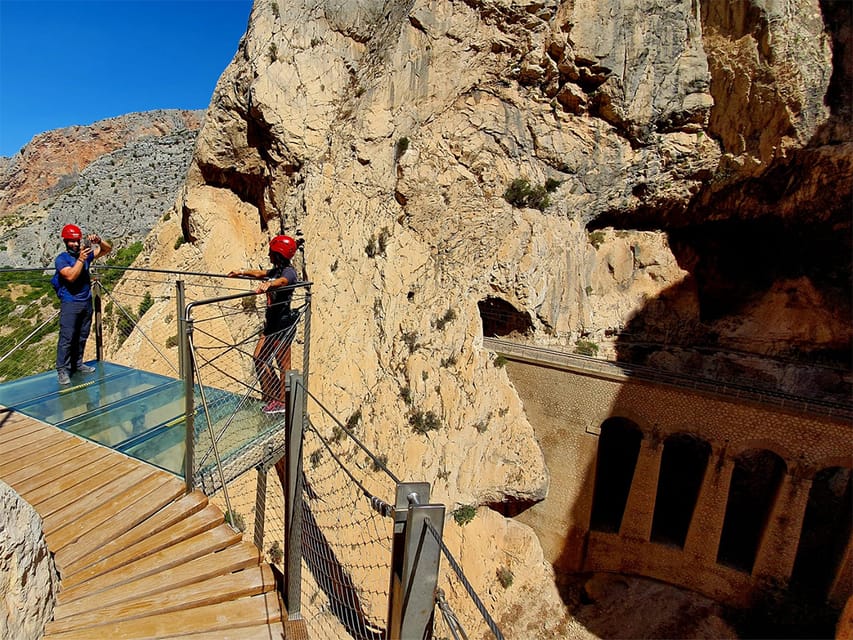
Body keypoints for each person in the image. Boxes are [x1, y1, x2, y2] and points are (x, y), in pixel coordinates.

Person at [228, 234, 300, 414]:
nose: (269, 255)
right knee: (259, 357)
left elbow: (283, 282)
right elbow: (261, 273)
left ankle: (283, 402)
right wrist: (242, 272)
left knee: (283, 365)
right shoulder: (276, 271)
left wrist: (270, 285)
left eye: (271, 252)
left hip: (283, 325)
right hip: (272, 324)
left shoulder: (288, 272)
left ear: (278, 254)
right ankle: (274, 395)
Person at [53, 223, 112, 385]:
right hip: (70, 303)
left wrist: (99, 241)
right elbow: (70, 276)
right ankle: (62, 369)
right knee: (67, 337)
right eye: (72, 241)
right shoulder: (62, 259)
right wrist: (80, 260)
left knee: (82, 335)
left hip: (86, 301)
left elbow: (107, 250)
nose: (76, 244)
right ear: (65, 241)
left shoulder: (84, 255)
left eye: (77, 241)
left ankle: (77, 364)